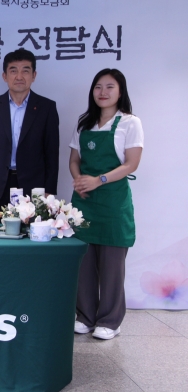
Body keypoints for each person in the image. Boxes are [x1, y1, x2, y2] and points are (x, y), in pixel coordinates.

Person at [70, 68, 143, 340]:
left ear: (120, 91)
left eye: (110, 87)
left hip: (113, 203)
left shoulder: (130, 123)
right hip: (85, 201)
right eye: (98, 87)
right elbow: (74, 160)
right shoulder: (85, 124)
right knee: (84, 263)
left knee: (112, 265)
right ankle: (85, 316)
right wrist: (79, 180)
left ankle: (111, 321)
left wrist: (98, 180)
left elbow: (131, 164)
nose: (102, 92)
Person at [0, 48, 59, 210]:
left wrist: (49, 190)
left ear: (34, 75)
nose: (19, 77)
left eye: (25, 71)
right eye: (13, 71)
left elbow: (51, 152)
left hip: (33, 188)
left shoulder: (46, 108)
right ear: (5, 76)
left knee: (30, 234)